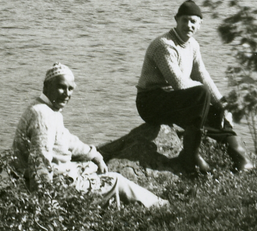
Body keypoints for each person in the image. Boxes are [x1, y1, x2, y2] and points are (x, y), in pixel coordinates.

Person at [13, 63, 167, 208]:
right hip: (53, 188)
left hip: (54, 177)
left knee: (92, 167)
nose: (67, 94)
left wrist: (94, 155)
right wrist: (44, 206)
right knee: (115, 180)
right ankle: (160, 206)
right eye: (61, 88)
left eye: (71, 89)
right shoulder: (43, 117)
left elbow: (67, 139)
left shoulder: (45, 108)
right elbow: (39, 164)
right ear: (46, 86)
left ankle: (115, 210)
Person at [136, 0, 254, 174]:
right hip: (151, 102)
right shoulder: (164, 45)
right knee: (201, 94)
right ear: (176, 20)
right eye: (185, 20)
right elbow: (179, 83)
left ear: (200, 24)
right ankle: (190, 155)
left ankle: (241, 159)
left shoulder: (193, 45)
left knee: (217, 113)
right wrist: (204, 93)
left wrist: (223, 105)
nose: (189, 25)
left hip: (176, 101)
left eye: (193, 21)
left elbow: (203, 76)